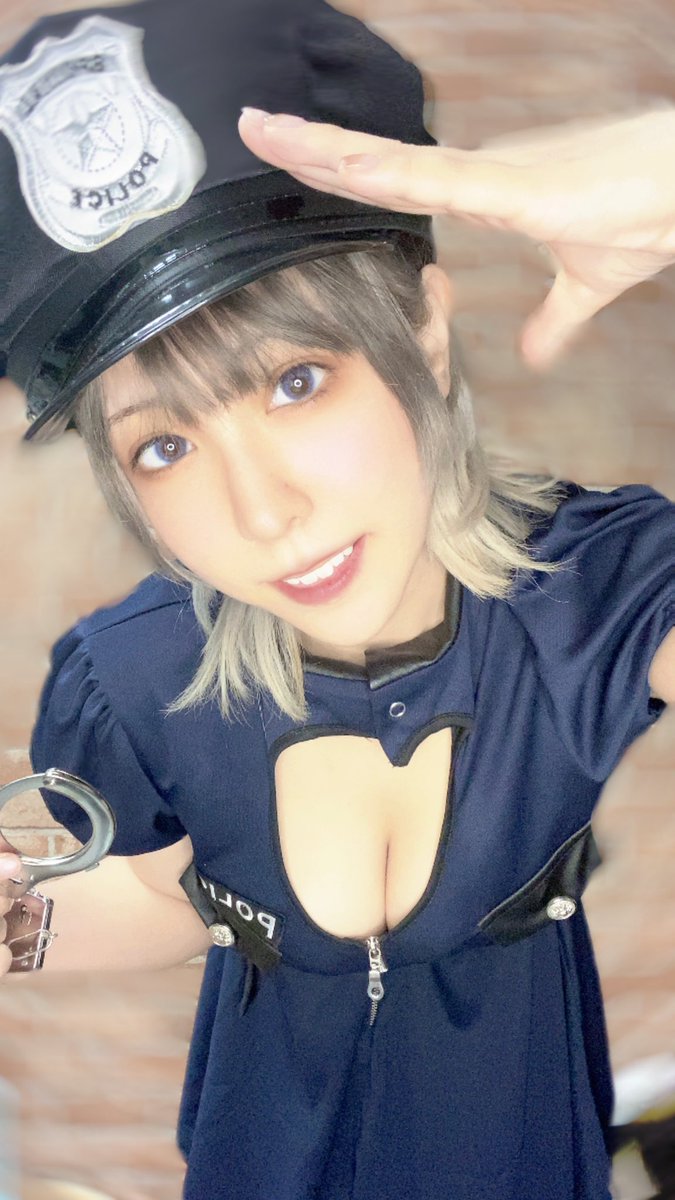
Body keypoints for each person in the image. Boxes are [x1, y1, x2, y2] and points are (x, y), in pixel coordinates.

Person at [0, 1, 673, 1197]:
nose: (262, 513)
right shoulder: (133, 681)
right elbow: (175, 901)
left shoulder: (592, 600)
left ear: (425, 337)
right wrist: (18, 926)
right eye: (164, 447)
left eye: (297, 381)